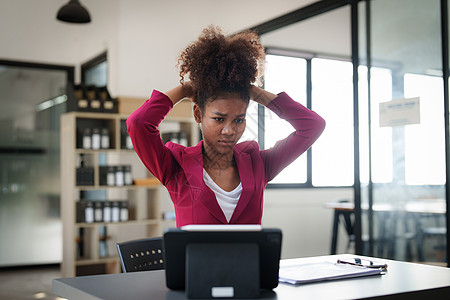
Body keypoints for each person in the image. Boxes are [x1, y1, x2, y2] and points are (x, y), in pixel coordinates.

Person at [127, 26, 325, 227]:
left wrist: (257, 93)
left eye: (238, 120)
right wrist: (185, 89)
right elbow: (138, 124)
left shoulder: (260, 164)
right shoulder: (175, 167)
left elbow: (312, 126)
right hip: (196, 260)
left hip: (249, 260)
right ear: (198, 114)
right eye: (219, 119)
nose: (229, 130)